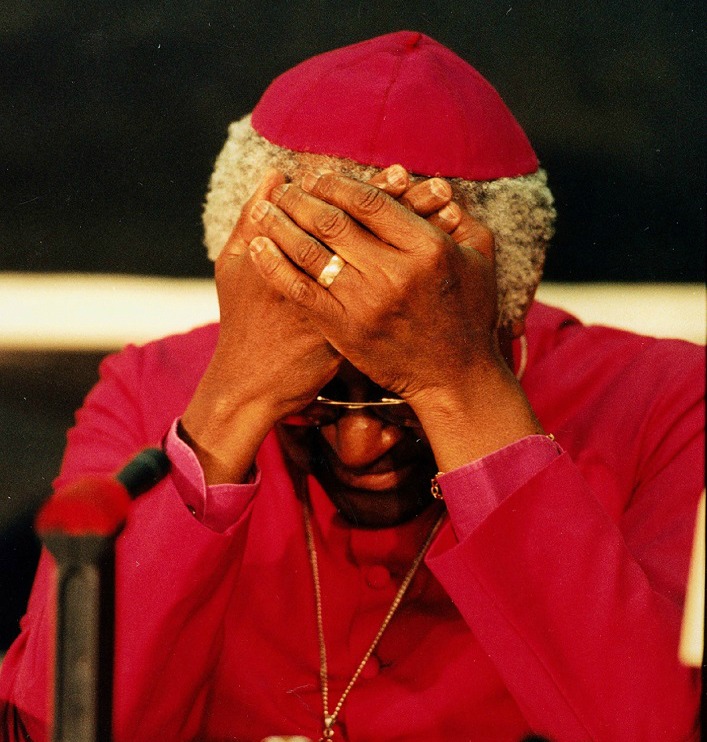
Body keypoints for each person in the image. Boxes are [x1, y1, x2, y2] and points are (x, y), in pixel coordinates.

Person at [0, 30, 703, 742]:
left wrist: (459, 387)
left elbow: (656, 728)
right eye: (316, 398)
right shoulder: (154, 388)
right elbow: (58, 725)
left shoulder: (665, 402)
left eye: (399, 400)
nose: (362, 442)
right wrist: (233, 405)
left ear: (496, 318)